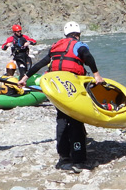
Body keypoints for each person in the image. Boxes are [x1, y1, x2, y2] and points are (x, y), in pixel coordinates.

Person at [18, 21, 104, 171]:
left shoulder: (56, 46)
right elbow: (87, 56)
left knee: (62, 119)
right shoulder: (79, 45)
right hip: (71, 86)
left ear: (65, 35)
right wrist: (96, 75)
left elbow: (40, 64)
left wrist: (24, 78)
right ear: (78, 34)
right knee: (76, 120)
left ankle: (64, 156)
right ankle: (78, 160)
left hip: (57, 88)